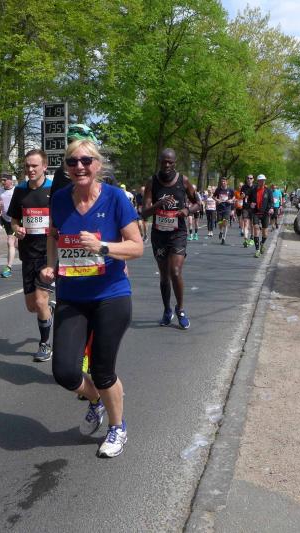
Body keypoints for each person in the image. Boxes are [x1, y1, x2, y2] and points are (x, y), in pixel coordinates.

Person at [40, 139, 143, 458]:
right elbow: (53, 236)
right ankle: (96, 400)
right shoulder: (59, 199)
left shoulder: (115, 198)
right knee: (65, 372)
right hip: (72, 295)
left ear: (97, 165)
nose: (79, 167)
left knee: (102, 370)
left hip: (111, 294)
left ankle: (117, 427)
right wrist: (50, 264)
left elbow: (137, 246)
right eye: (72, 162)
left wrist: (103, 247)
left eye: (86, 160)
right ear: (66, 168)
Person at [141, 148, 201, 329]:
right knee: (164, 276)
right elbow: (144, 213)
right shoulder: (152, 182)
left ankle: (180, 309)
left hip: (178, 233)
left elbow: (198, 203)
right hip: (159, 235)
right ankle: (167, 310)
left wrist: (187, 210)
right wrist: (159, 204)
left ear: (175, 163)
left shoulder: (183, 181)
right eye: (164, 161)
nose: (166, 165)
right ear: (160, 162)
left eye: (170, 162)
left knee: (175, 271)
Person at [7, 149, 54, 362]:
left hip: (48, 253)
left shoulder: (53, 189)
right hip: (28, 253)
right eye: (27, 166)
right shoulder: (20, 190)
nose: (30, 169)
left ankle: (45, 344)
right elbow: (14, 220)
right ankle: (49, 310)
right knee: (31, 306)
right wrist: (16, 229)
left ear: (44, 166)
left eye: (35, 165)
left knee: (40, 300)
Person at [0, 173, 17, 278]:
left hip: (16, 219)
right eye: (2, 180)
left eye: (4, 180)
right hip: (6, 219)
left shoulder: (16, 190)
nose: (2, 182)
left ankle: (8, 267)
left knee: (10, 241)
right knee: (16, 244)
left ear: (10, 181)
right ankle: (27, 257)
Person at [248, 174, 275, 258]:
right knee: (256, 228)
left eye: (263, 180)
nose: (262, 182)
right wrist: (250, 204)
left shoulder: (268, 191)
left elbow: (271, 202)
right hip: (256, 212)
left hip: (265, 213)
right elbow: (248, 200)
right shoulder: (253, 190)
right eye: (261, 180)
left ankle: (262, 243)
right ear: (258, 181)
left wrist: (271, 208)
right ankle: (257, 250)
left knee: (265, 233)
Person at [213, 177, 234, 245]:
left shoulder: (230, 189)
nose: (223, 182)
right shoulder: (218, 189)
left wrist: (231, 200)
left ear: (226, 182)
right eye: (222, 181)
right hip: (220, 208)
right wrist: (217, 200)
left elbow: (234, 197)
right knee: (220, 223)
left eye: (224, 181)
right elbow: (213, 196)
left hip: (227, 208)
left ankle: (223, 238)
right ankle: (221, 232)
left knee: (225, 222)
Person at [240, 175, 254, 247]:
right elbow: (241, 196)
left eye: (250, 178)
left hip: (253, 208)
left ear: (253, 179)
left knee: (252, 224)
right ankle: (245, 240)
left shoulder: (255, 187)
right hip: (245, 207)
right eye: (248, 178)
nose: (249, 179)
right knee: (246, 223)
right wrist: (243, 195)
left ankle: (252, 238)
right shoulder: (244, 187)